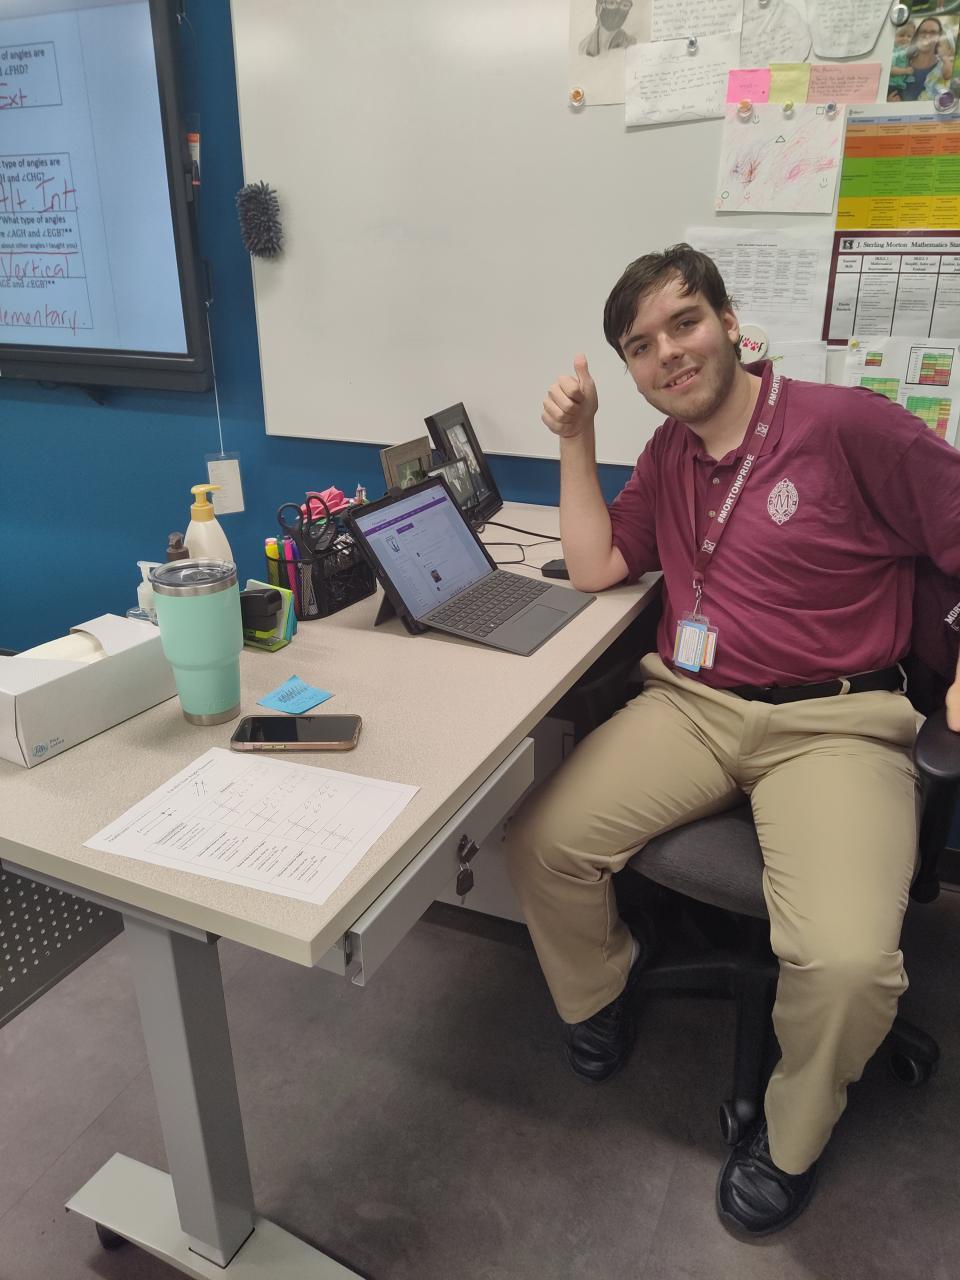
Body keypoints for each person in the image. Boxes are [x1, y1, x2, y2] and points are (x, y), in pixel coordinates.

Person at [504, 244, 960, 1239]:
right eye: (641, 346)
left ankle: (790, 1135)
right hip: (696, 705)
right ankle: (606, 985)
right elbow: (596, 564)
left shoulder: (847, 427)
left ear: (729, 322)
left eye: (684, 323)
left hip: (835, 721)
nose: (668, 353)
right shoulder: (668, 455)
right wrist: (578, 440)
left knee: (846, 963)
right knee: (541, 841)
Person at [893, 16, 945, 101]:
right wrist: (888, 100)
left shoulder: (943, 69)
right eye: (923, 32)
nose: (927, 36)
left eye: (933, 32)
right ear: (916, 35)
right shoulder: (901, 61)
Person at [921, 33, 957, 99]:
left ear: (949, 49)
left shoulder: (951, 61)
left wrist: (946, 61)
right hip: (932, 89)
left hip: (940, 91)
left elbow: (947, 76)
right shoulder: (940, 59)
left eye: (939, 45)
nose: (936, 48)